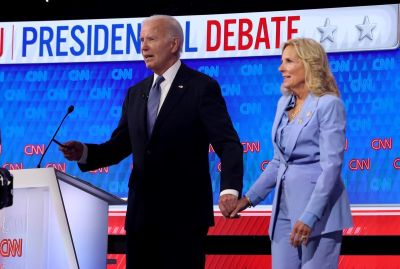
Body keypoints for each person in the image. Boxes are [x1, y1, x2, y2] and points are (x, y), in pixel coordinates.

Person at [59, 15, 243, 269]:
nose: (143, 46)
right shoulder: (136, 93)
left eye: (151, 39)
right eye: (142, 40)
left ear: (173, 44)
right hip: (141, 217)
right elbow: (120, 145)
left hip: (184, 218)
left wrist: (229, 190)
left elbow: (228, 144)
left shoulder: (201, 88)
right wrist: (84, 152)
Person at [230, 38, 353, 268]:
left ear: (308, 64)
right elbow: (279, 162)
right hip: (283, 212)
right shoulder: (283, 103)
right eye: (281, 61)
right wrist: (248, 199)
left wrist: (310, 216)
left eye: (288, 61)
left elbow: (331, 167)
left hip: (319, 214)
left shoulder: (328, 105)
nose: (280, 68)